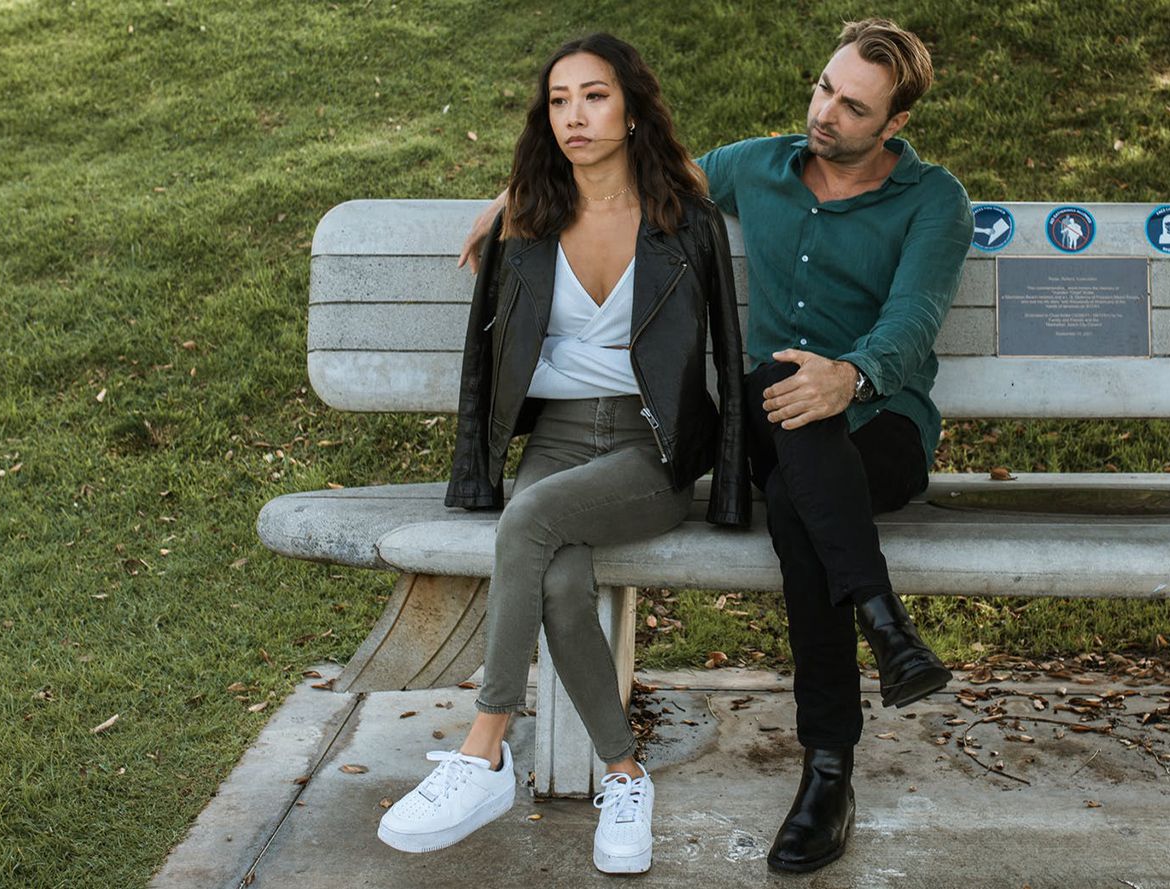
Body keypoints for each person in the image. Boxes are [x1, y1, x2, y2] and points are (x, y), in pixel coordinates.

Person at [460, 18, 968, 875]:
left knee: (806, 503)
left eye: (853, 107)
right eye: (823, 88)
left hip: (878, 426)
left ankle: (831, 764)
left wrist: (851, 375)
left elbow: (913, 322)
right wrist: (515, 199)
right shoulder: (755, 166)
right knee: (780, 396)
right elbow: (627, 175)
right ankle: (877, 651)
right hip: (771, 416)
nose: (826, 113)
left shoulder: (934, 200)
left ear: (894, 126)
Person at [380, 32, 748, 876]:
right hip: (554, 438)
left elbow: (728, 351)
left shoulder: (684, 223)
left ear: (630, 111)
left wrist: (725, 485)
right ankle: (626, 776)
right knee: (555, 575)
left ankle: (483, 751)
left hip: (645, 449)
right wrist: (474, 469)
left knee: (533, 517)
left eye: (594, 96)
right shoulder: (529, 218)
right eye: (558, 100)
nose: (575, 116)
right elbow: (485, 359)